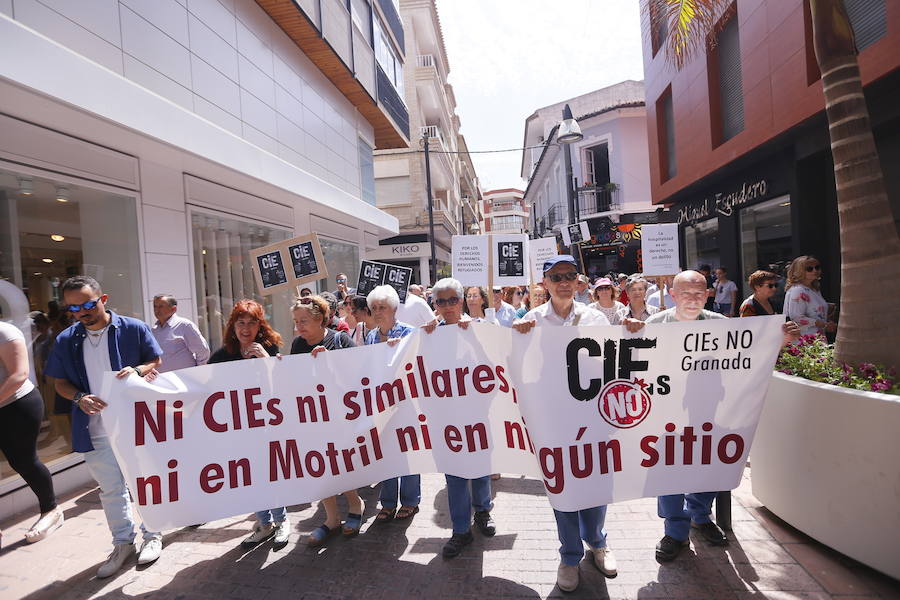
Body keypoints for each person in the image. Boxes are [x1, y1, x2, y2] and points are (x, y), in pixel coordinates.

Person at [623, 271, 800, 562]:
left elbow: (749, 356)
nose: (692, 299)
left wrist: (779, 341)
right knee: (668, 469)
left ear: (707, 295)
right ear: (673, 295)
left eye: (698, 293)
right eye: (685, 293)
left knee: (711, 463)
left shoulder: (721, 326)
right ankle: (675, 531)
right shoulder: (654, 325)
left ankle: (700, 515)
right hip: (668, 414)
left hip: (713, 411)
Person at [44, 276, 163, 578]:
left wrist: (137, 370)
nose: (82, 312)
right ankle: (123, 544)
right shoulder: (66, 339)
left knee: (144, 483)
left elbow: (155, 359)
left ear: (103, 299)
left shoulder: (133, 328)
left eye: (87, 303)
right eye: (73, 308)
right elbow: (59, 383)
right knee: (110, 491)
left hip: (135, 424)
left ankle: (153, 535)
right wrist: (80, 397)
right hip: (94, 428)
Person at [512, 255, 615, 591]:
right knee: (563, 487)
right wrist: (518, 338)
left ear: (579, 280)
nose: (564, 282)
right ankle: (570, 556)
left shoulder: (597, 319)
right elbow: (514, 365)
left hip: (592, 417)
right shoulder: (531, 320)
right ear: (545, 283)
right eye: (556, 277)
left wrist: (632, 331)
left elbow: (615, 358)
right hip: (553, 420)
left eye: (570, 275)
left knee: (596, 482)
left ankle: (597, 542)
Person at [421, 278, 496, 557]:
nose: (448, 306)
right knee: (454, 475)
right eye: (441, 301)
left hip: (476, 414)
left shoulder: (479, 329)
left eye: (453, 300)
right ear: (435, 305)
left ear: (462, 301)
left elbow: (494, 366)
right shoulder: (428, 334)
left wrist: (475, 337)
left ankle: (483, 512)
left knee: (479, 469)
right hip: (446, 419)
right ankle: (461, 530)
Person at [207, 300, 288, 547]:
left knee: (271, 474)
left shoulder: (270, 349)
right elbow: (203, 387)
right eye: (241, 323)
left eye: (252, 323)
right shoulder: (222, 356)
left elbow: (285, 385)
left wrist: (267, 362)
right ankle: (264, 524)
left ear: (259, 326)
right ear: (233, 326)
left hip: (266, 426)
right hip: (237, 430)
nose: (246, 329)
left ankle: (282, 521)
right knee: (249, 477)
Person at [289, 296, 364, 545]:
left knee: (342, 464)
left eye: (304, 321)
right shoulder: (297, 345)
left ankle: (355, 505)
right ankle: (331, 519)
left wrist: (329, 363)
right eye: (296, 321)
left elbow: (360, 374)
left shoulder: (339, 340)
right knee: (319, 467)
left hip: (340, 417)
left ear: (319, 319)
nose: (299, 326)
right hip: (311, 419)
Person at [1, 320, 63, 546]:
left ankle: (51, 511)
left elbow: (19, 375)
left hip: (17, 406)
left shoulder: (4, 332)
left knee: (24, 461)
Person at [365, 286, 419, 522]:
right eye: (374, 308)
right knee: (385, 453)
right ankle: (387, 503)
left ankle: (409, 501)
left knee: (407, 453)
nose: (378, 312)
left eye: (382, 307)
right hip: (380, 404)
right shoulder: (370, 336)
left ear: (394, 309)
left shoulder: (409, 332)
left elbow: (417, 364)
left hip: (405, 402)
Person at [150, 294, 210, 372]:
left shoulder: (184, 325)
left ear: (173, 309)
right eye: (155, 306)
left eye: (161, 306)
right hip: (164, 380)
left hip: (185, 379)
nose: (157, 310)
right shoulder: (154, 330)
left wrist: (197, 371)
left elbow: (202, 351)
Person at [784, 256, 835, 337]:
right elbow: (797, 318)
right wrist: (823, 324)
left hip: (817, 337)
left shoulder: (814, 289)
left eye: (817, 267)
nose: (815, 270)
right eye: (809, 269)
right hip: (804, 339)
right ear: (799, 271)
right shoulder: (798, 290)